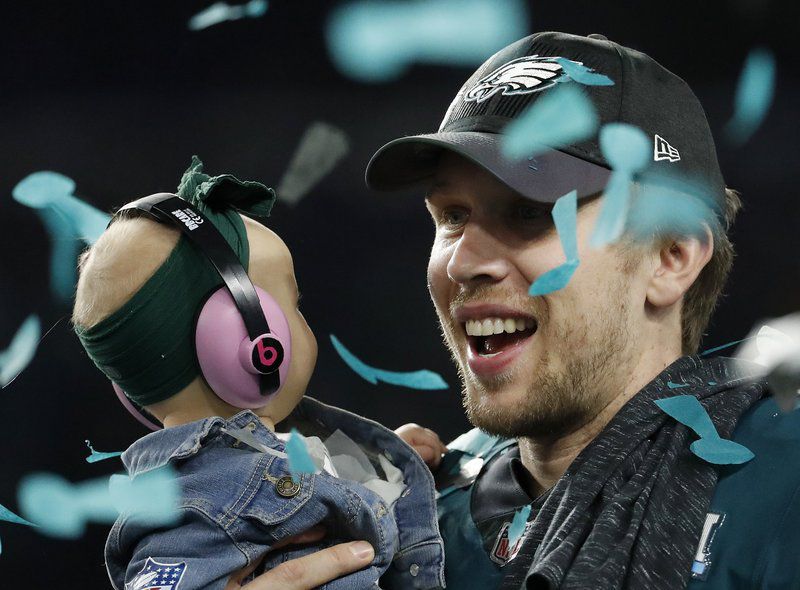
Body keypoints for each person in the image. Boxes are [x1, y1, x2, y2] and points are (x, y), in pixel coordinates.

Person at [234, 30, 800, 590]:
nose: (462, 262)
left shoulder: (785, 487)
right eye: (452, 215)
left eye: (530, 213)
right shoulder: (402, 518)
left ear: (670, 256)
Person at [71, 157, 448, 590]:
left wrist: (377, 467)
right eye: (294, 304)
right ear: (256, 343)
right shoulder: (191, 508)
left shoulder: (246, 477)